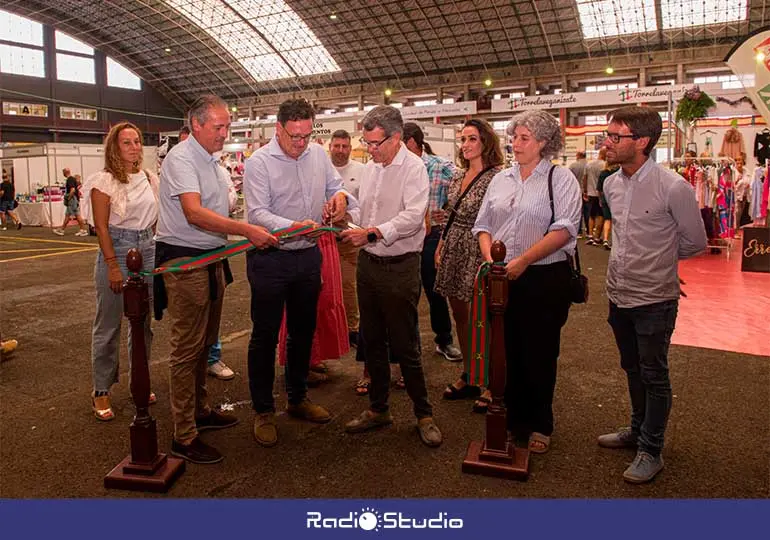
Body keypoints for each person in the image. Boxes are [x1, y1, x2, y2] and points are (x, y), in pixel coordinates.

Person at [156, 94, 278, 464]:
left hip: (210, 258)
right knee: (186, 348)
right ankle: (184, 434)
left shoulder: (211, 160)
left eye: (227, 126)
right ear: (196, 125)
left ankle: (200, 410)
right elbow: (193, 213)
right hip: (186, 261)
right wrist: (246, 230)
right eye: (219, 126)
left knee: (206, 342)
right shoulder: (181, 158)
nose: (226, 133)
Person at [598, 106, 707, 483]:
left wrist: (658, 262)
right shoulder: (611, 184)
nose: (607, 142)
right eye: (607, 135)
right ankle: (636, 429)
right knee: (632, 368)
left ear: (641, 142)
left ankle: (651, 448)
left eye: (615, 136)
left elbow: (695, 242)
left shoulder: (673, 186)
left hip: (654, 299)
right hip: (619, 293)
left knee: (654, 374)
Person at [243, 98, 355, 448]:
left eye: (307, 135)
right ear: (278, 129)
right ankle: (263, 411)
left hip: (307, 256)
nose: (301, 143)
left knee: (302, 332)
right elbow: (258, 213)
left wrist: (340, 200)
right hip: (270, 259)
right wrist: (293, 227)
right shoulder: (259, 163)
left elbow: (336, 187)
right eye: (294, 136)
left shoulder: (318, 155)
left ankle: (297, 397)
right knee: (264, 337)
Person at [472, 110, 582, 454]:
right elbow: (483, 225)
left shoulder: (560, 179)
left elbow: (564, 229)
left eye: (524, 138)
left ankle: (540, 422)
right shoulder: (500, 179)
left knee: (540, 350)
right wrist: (493, 260)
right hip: (502, 275)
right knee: (506, 349)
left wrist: (524, 260)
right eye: (514, 137)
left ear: (544, 143)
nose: (515, 144)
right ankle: (510, 419)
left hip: (545, 277)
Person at [341, 105, 442, 448]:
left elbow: (414, 217)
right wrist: (343, 203)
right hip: (369, 264)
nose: (370, 150)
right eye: (366, 143)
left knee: (405, 343)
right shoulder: (372, 168)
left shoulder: (414, 169)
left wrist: (370, 233)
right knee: (372, 340)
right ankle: (378, 408)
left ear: (396, 138)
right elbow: (364, 208)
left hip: (400, 266)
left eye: (375, 143)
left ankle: (424, 414)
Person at [80, 122, 159, 421]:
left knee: (142, 324)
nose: (134, 147)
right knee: (109, 324)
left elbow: (153, 220)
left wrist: (150, 246)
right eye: (127, 142)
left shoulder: (150, 178)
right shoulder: (103, 181)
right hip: (117, 249)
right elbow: (100, 227)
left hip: (146, 249)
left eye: (137, 141)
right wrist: (113, 265)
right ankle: (101, 390)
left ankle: (140, 380)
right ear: (114, 147)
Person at [436, 119, 503, 414]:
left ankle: (491, 380)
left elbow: (499, 219)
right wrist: (441, 244)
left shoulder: (497, 178)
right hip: (453, 246)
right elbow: (450, 213)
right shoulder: (457, 176)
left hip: (480, 248)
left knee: (485, 316)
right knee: (460, 314)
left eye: (472, 139)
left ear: (486, 142)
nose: (465, 145)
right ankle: (470, 373)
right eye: (463, 139)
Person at [402, 122, 462, 362]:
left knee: (435, 290)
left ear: (412, 143)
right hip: (404, 236)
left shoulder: (441, 166)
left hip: (431, 237)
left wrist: (445, 213)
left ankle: (444, 340)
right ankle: (408, 344)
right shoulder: (397, 168)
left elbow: (463, 194)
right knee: (406, 293)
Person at [329, 129, 366, 348]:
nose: (341, 151)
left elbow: (364, 204)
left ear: (350, 149)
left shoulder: (361, 171)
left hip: (349, 238)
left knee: (348, 285)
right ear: (330, 147)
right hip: (321, 238)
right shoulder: (321, 169)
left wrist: (351, 219)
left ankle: (352, 328)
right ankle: (329, 330)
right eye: (337, 146)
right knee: (323, 287)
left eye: (345, 146)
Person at [54, 168, 88, 236]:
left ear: (64, 173)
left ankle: (62, 230)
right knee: (74, 214)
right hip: (75, 199)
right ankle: (82, 230)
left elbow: (72, 190)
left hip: (72, 200)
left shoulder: (70, 179)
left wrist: (68, 198)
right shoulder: (72, 179)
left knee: (70, 215)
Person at [584, 149, 606, 245]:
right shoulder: (605, 165)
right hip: (601, 193)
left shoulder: (589, 164)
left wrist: (585, 190)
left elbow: (585, 178)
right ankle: (597, 237)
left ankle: (590, 236)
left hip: (591, 192)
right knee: (600, 215)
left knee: (591, 215)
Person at [596, 161, 619, 250]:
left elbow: (599, 189)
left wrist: (600, 199)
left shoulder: (603, 173)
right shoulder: (617, 172)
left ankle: (605, 239)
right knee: (617, 220)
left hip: (605, 197)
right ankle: (616, 240)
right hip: (616, 197)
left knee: (607, 219)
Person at [568, 151, 588, 236]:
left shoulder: (573, 165)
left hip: (575, 191)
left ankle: (578, 231)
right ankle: (588, 230)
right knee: (587, 211)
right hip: (587, 191)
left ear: (578, 156)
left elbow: (568, 179)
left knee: (576, 211)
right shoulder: (589, 165)